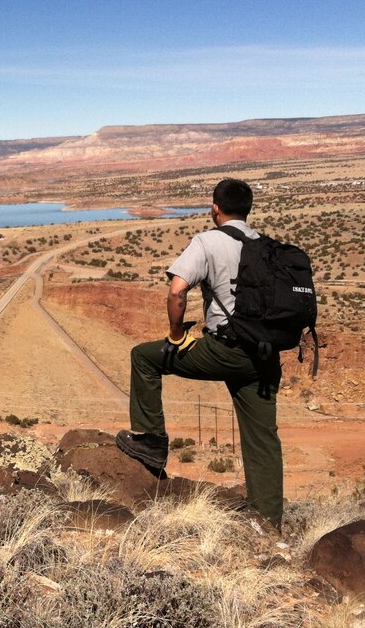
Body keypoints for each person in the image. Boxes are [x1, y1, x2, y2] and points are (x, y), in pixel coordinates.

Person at [115, 178, 284, 529]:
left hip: (222, 350)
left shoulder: (208, 241)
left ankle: (151, 441)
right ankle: (269, 525)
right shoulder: (267, 246)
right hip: (264, 355)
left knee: (144, 357)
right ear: (248, 209)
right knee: (263, 439)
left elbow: (177, 292)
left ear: (215, 209)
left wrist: (177, 334)